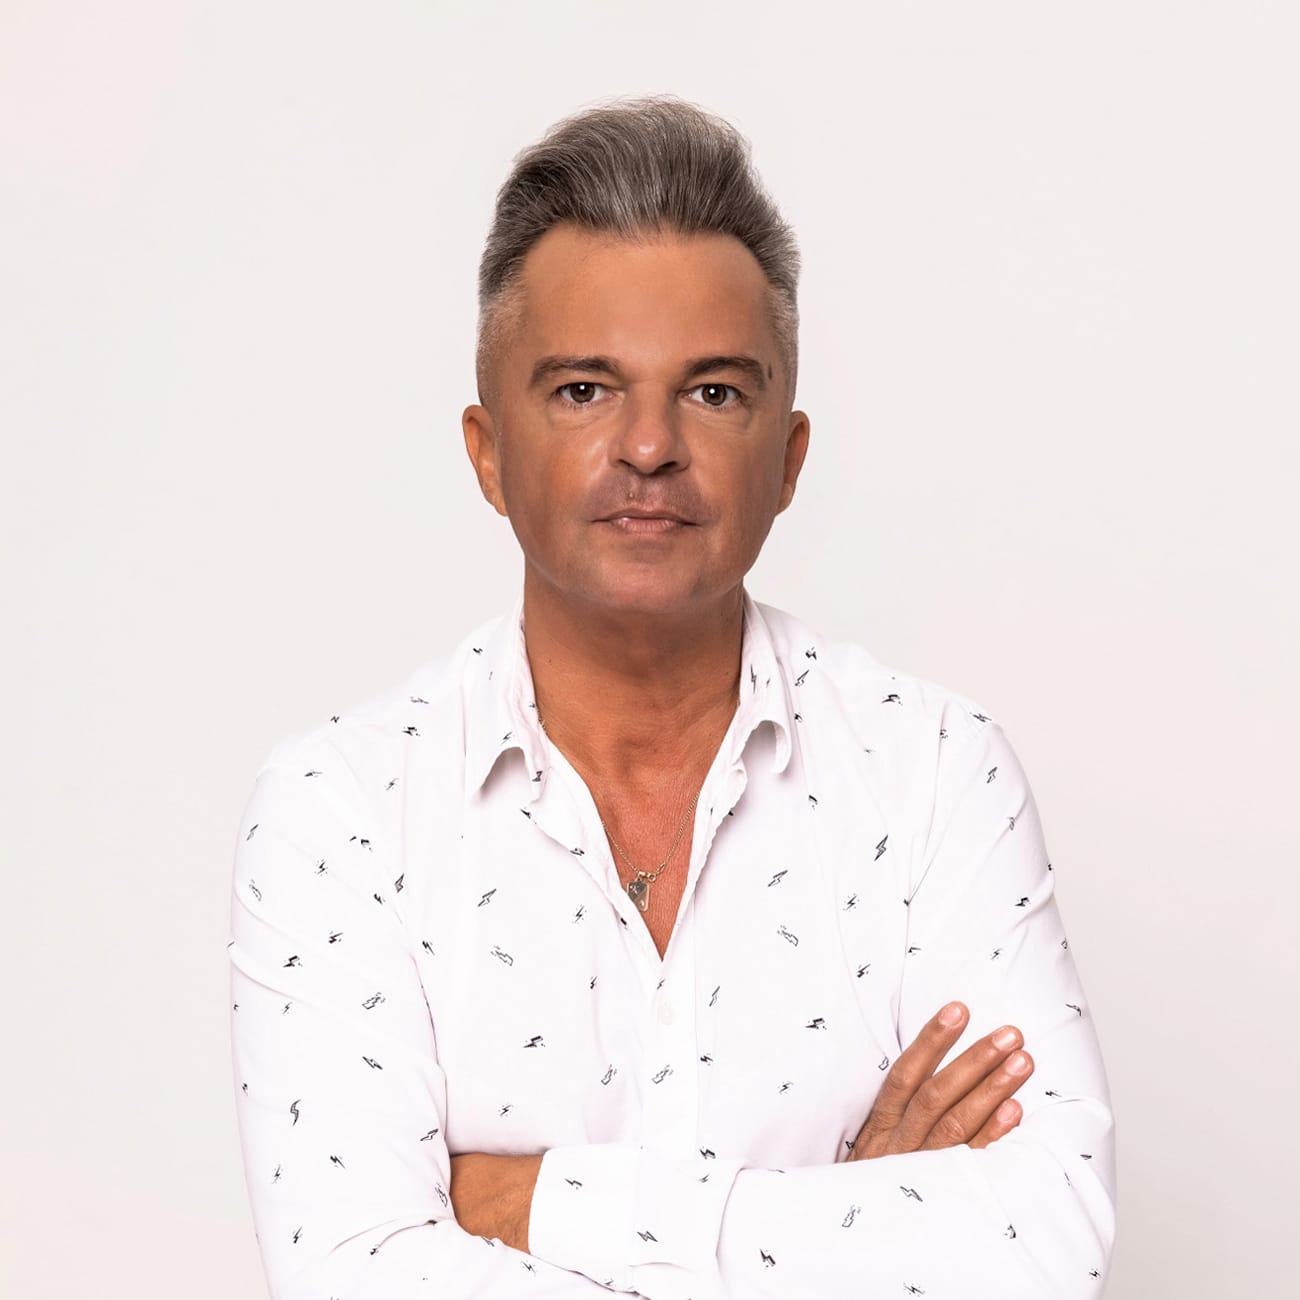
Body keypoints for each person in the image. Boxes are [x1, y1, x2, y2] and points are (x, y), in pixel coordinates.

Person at [227, 94, 1116, 1300]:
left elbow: (1046, 1245)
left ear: (787, 459)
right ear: (487, 453)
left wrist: (533, 1202)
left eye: (712, 393)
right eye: (583, 390)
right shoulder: (342, 811)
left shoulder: (936, 773)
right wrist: (844, 1225)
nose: (649, 446)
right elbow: (350, 1274)